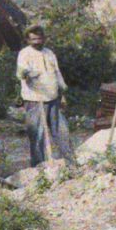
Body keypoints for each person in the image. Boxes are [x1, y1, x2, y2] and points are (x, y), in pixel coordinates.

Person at [16, 23, 73, 165]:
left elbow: (57, 73)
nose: (37, 42)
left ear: (44, 39)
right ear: (28, 40)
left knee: (62, 131)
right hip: (35, 100)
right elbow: (20, 73)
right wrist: (27, 74)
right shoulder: (25, 54)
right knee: (37, 134)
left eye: (40, 39)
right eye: (34, 39)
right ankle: (38, 166)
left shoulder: (49, 53)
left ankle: (70, 161)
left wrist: (63, 91)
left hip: (53, 99)